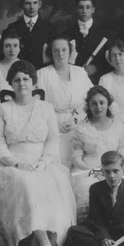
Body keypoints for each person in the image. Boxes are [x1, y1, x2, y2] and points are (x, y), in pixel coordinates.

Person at [0, 60, 76, 246]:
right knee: (27, 185)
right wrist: (16, 163)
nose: (22, 83)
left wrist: (44, 162)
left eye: (26, 79)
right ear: (11, 83)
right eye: (17, 79)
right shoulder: (3, 109)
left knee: (52, 183)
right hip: (12, 164)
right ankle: (43, 242)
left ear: (34, 82)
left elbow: (53, 138)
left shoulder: (46, 108)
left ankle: (36, 245)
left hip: (42, 162)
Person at [70, 86, 124, 223]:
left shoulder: (118, 127)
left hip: (115, 168)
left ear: (108, 104)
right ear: (88, 106)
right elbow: (76, 157)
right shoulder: (82, 129)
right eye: (93, 103)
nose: (98, 107)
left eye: (102, 102)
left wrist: (111, 170)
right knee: (85, 189)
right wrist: (92, 170)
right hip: (88, 170)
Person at [37, 34, 93, 169]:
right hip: (53, 125)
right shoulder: (42, 74)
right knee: (58, 163)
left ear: (70, 51)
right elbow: (38, 105)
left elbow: (91, 99)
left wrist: (77, 119)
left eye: (64, 50)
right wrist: (55, 124)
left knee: (81, 159)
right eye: (56, 50)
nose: (60, 54)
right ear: (51, 53)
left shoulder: (80, 72)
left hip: (80, 122)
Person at [64, 0, 112, 83]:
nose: (84, 11)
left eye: (88, 7)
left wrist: (96, 68)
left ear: (93, 9)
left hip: (98, 81)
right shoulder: (67, 34)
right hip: (74, 80)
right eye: (81, 7)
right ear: (76, 9)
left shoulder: (105, 33)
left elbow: (111, 60)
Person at [6, 0, 54, 69]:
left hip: (42, 72)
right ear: (21, 5)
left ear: (40, 4)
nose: (32, 7)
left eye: (35, 3)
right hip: (19, 72)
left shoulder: (49, 28)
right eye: (27, 3)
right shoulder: (12, 28)